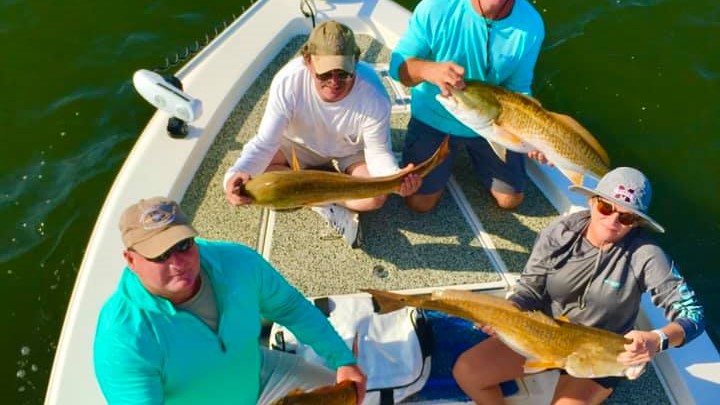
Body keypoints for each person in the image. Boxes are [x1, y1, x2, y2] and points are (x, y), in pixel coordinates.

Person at [452, 167, 706, 404]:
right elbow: (530, 287)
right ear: (592, 201)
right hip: (543, 333)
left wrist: (656, 339)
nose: (613, 220)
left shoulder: (646, 254)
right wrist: (508, 313)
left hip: (600, 351)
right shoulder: (561, 232)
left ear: (637, 223)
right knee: (467, 371)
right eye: (607, 207)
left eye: (626, 217)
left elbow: (694, 315)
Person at [93, 196, 367, 405]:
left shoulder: (237, 263)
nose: (178, 263)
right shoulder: (121, 338)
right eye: (161, 255)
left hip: (258, 374)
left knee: (348, 396)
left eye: (183, 246)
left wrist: (342, 359)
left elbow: (289, 308)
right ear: (131, 260)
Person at [224, 21, 421, 247]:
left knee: (375, 197)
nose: (334, 82)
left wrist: (395, 178)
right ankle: (325, 203)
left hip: (348, 151)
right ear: (308, 62)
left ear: (356, 61)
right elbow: (265, 143)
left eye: (343, 72)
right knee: (255, 186)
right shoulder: (288, 82)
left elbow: (378, 152)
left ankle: (314, 197)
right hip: (296, 147)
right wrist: (234, 177)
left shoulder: (373, 94)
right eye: (325, 74)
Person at [389, 0, 546, 211]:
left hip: (491, 125)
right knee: (420, 203)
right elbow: (397, 68)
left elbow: (519, 89)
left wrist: (536, 137)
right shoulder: (436, 7)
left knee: (510, 200)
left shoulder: (532, 24)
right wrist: (428, 70)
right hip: (435, 118)